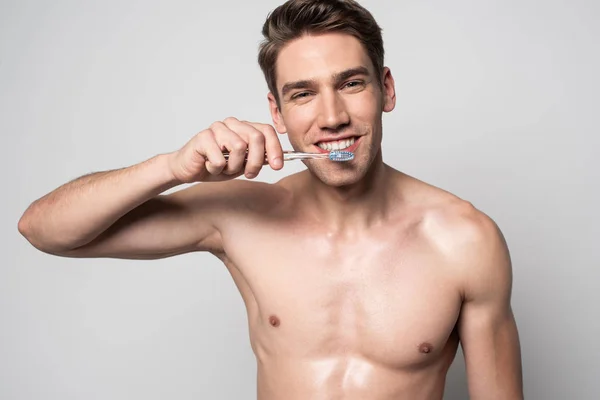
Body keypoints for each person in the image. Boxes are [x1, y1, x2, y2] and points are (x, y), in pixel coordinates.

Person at [18, 0, 524, 398]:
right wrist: (172, 167)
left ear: (385, 89)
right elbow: (44, 229)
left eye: (350, 84)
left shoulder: (464, 239)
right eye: (302, 94)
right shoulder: (239, 216)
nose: (331, 117)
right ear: (277, 113)